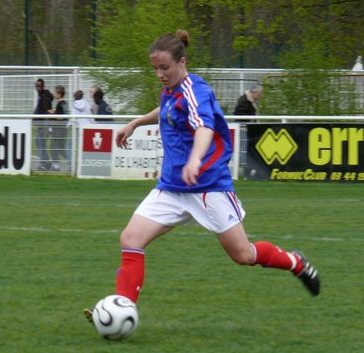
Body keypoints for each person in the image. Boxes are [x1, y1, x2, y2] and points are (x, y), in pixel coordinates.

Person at [84, 30, 320, 323]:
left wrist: (195, 159)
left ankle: (296, 263)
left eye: (164, 68)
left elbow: (204, 128)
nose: (159, 74)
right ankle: (123, 309)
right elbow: (166, 110)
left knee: (243, 255)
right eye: (155, 68)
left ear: (182, 62)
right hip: (171, 188)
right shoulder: (171, 88)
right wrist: (135, 123)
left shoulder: (197, 92)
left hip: (208, 187)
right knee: (130, 238)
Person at [33, 79, 53, 170]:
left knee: (40, 143)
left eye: (40, 86)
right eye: (37, 86)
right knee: (39, 142)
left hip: (44, 124)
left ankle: (43, 165)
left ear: (43, 86)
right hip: (42, 123)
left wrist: (47, 126)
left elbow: (47, 111)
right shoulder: (41, 95)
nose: (38, 88)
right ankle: (46, 162)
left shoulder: (44, 96)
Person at [48, 85, 68, 171]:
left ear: (59, 94)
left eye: (55, 92)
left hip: (59, 129)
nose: (53, 93)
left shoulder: (61, 103)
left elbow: (62, 117)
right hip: (62, 129)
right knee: (59, 147)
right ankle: (70, 162)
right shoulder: (64, 103)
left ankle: (57, 166)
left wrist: (53, 114)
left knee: (55, 147)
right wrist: (55, 112)